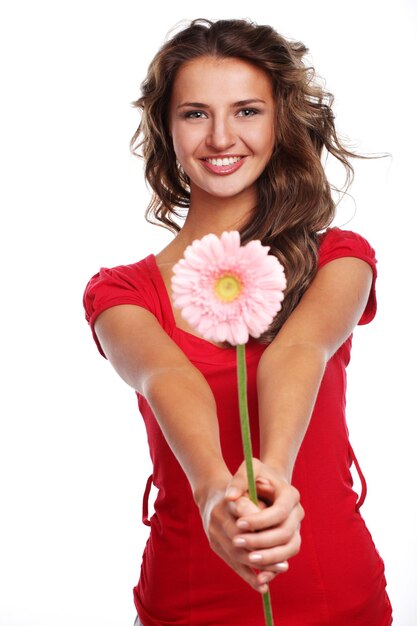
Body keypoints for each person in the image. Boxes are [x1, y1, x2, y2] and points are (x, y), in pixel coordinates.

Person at [83, 18, 392, 626]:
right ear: (166, 129)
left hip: (337, 595)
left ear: (279, 123)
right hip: (190, 598)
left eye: (247, 111)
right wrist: (211, 491)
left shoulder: (340, 259)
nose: (221, 136)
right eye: (195, 113)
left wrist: (272, 468)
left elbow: (299, 348)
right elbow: (166, 377)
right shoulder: (121, 292)